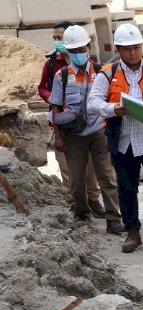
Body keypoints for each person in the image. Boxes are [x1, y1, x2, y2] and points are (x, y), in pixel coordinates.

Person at [88, 23, 143, 253]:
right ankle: (133, 232)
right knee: (127, 189)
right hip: (123, 141)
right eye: (127, 48)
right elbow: (93, 102)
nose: (132, 52)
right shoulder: (107, 73)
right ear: (118, 49)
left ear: (142, 46)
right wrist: (112, 109)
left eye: (136, 47)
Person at [49, 25, 124, 234]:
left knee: (107, 176)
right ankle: (82, 215)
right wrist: (59, 137)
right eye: (73, 51)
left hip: (99, 130)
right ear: (67, 51)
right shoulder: (61, 76)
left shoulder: (102, 72)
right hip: (73, 135)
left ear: (89, 47)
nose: (78, 54)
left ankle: (113, 218)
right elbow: (55, 107)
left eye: (81, 50)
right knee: (76, 178)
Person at [38, 20, 105, 217]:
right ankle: (76, 204)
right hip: (65, 125)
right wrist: (54, 98)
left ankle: (94, 200)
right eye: (56, 38)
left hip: (92, 126)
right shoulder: (52, 64)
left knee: (92, 168)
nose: (58, 41)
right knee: (70, 170)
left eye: (61, 37)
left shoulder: (94, 67)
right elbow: (42, 87)